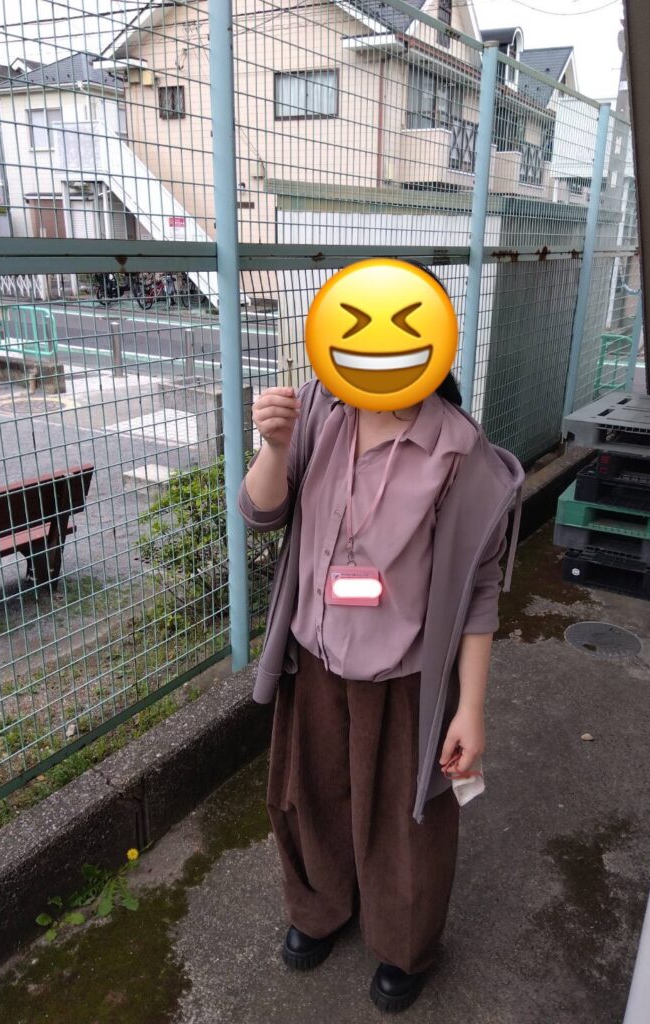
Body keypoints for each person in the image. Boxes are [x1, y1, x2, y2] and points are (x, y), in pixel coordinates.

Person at [238, 267, 524, 1014]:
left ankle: (404, 944)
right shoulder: (316, 408)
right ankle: (319, 907)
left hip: (405, 676)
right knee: (310, 795)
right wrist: (273, 446)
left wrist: (471, 709)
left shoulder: (456, 450)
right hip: (314, 659)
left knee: (407, 817)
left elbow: (480, 590)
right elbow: (261, 513)